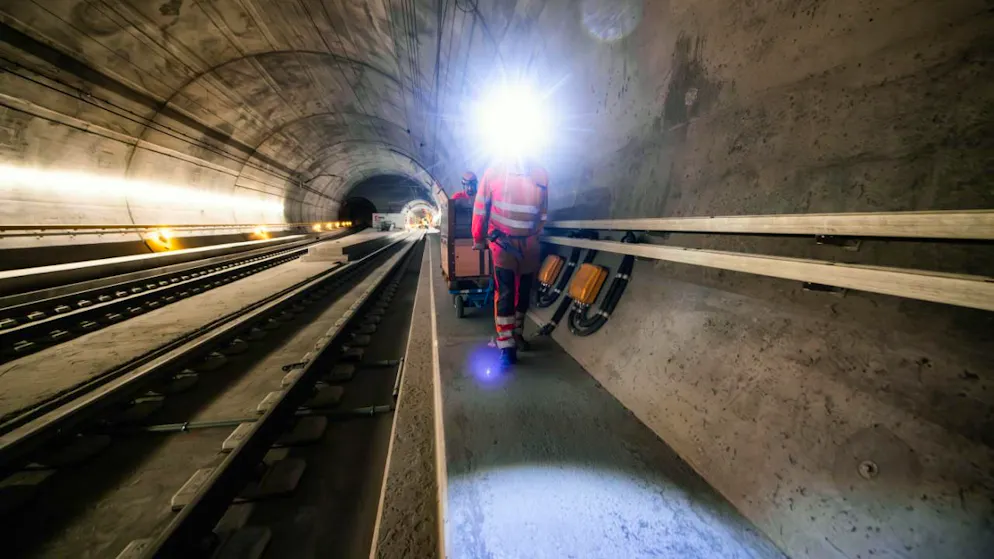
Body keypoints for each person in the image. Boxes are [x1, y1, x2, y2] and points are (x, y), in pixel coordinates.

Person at [471, 161, 549, 368]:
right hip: (503, 244)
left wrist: (534, 236)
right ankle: (506, 346)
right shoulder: (494, 172)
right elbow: (480, 209)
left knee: (523, 293)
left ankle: (516, 333)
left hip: (529, 245)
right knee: (505, 293)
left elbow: (542, 213)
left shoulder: (541, 174)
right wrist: (478, 238)